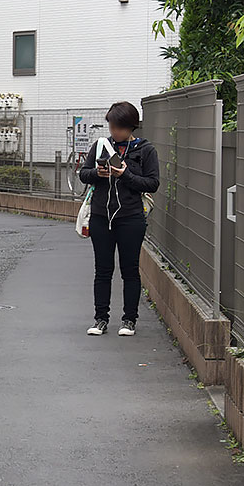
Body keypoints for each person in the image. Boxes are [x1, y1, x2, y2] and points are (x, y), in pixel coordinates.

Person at [78, 102, 159, 337]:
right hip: (101, 216)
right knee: (102, 269)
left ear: (131, 127)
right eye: (112, 127)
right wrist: (98, 173)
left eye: (120, 128)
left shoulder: (145, 149)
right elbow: (84, 174)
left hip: (131, 217)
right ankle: (100, 319)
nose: (115, 132)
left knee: (130, 269)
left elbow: (152, 183)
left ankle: (129, 320)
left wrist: (126, 175)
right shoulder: (101, 146)